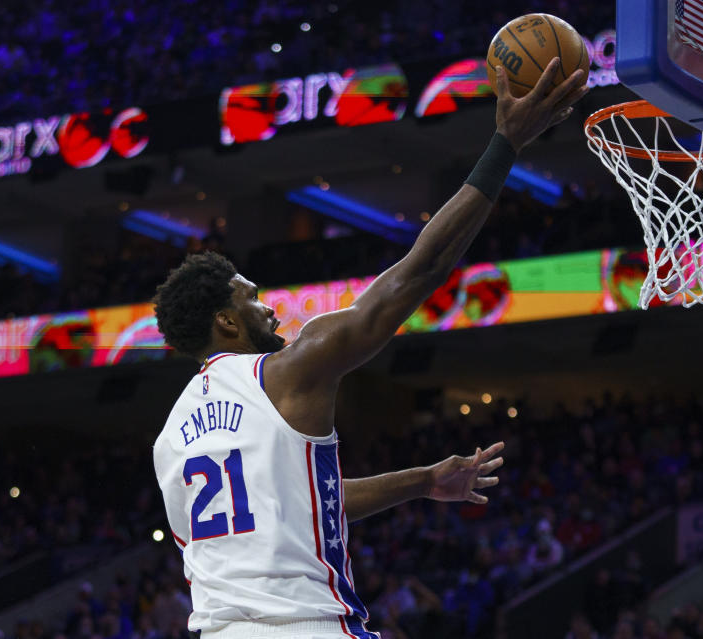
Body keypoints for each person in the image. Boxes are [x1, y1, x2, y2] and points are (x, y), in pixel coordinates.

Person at [152, 59, 589, 638]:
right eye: (254, 300)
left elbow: (299, 506)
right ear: (228, 323)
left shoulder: (169, 440)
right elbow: (418, 272)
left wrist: (423, 481)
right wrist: (505, 144)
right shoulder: (285, 373)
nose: (271, 309)